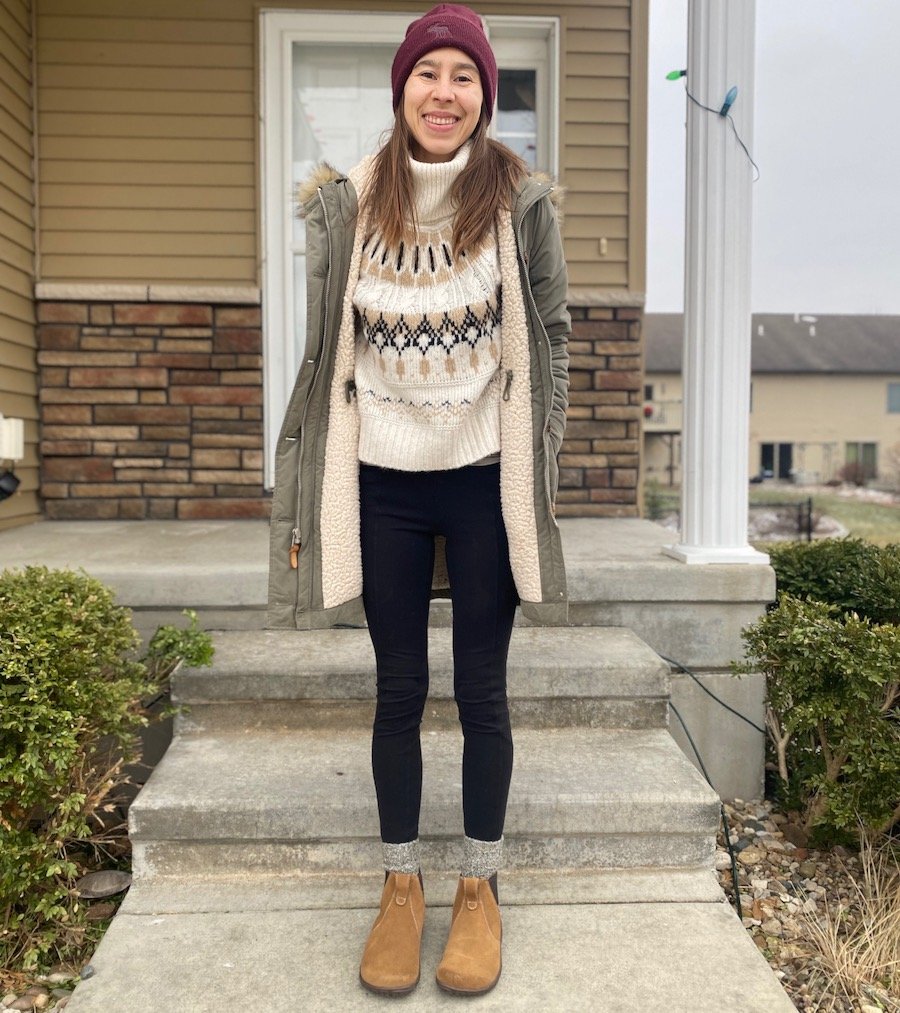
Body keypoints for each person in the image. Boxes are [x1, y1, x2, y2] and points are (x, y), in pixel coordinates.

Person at [267, 2, 570, 997]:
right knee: (399, 688)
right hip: (381, 479)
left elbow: (555, 338)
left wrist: (543, 447)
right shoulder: (349, 204)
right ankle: (402, 883)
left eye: (466, 77)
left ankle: (478, 888)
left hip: (485, 475)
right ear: (403, 88)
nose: (447, 93)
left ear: (486, 97)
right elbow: (326, 352)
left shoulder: (520, 202)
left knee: (481, 689)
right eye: (430, 73)